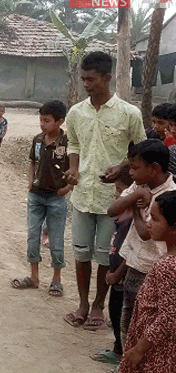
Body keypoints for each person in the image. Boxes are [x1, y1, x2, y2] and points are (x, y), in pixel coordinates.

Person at [63, 51, 146, 330]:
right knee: (81, 252)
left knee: (105, 256)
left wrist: (122, 166)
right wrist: (73, 169)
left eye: (91, 79)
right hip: (82, 195)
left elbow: (140, 150)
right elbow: (73, 144)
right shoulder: (76, 112)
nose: (86, 84)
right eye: (83, 79)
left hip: (116, 200)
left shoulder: (129, 113)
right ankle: (83, 304)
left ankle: (99, 306)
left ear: (107, 78)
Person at [107, 140, 174, 348]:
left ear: (154, 168)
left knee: (148, 322)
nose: (132, 174)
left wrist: (135, 208)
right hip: (134, 264)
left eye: (135, 168)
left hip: (154, 267)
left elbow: (146, 234)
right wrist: (136, 194)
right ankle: (126, 360)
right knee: (129, 319)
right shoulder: (139, 186)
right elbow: (112, 210)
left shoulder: (169, 196)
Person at [11, 100, 72, 296]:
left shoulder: (67, 143)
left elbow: (75, 169)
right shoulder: (37, 140)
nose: (42, 124)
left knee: (55, 239)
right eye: (41, 120)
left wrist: (67, 188)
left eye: (46, 120)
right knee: (32, 235)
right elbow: (32, 163)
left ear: (60, 121)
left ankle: (56, 279)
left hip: (56, 198)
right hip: (36, 196)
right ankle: (34, 277)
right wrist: (29, 181)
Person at [119, 190, 176, 372]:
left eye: (155, 219)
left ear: (174, 227)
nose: (149, 224)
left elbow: (169, 318)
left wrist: (139, 349)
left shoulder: (168, 266)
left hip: (156, 354)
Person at [91, 167, 133, 365]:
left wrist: (117, 273)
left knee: (124, 317)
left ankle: (124, 357)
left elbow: (130, 252)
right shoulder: (121, 218)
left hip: (123, 276)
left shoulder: (132, 220)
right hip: (115, 273)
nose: (116, 195)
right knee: (115, 311)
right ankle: (118, 349)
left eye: (120, 191)